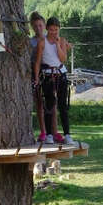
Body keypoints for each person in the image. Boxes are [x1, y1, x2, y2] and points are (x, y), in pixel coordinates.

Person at [33, 17, 76, 145]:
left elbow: (62, 59)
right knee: (49, 105)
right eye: (51, 30)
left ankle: (67, 134)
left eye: (56, 30)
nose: (53, 32)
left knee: (63, 106)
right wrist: (36, 77)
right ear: (47, 29)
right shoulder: (42, 42)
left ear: (59, 30)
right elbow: (38, 61)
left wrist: (57, 44)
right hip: (48, 76)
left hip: (61, 75)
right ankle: (49, 135)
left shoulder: (62, 41)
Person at [29, 12, 50, 144]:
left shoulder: (51, 40)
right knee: (39, 104)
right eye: (35, 26)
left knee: (51, 104)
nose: (38, 28)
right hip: (36, 72)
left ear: (44, 25)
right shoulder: (31, 42)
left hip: (49, 72)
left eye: (40, 25)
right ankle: (43, 131)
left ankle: (53, 131)